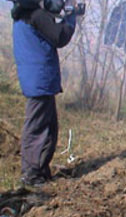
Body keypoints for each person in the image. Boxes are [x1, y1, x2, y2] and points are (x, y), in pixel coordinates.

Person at [11, 0, 77, 187]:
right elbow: (60, 37)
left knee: (48, 127)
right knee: (38, 128)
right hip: (40, 79)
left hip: (36, 79)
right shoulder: (37, 16)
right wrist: (71, 16)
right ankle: (32, 174)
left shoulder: (21, 16)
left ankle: (40, 171)